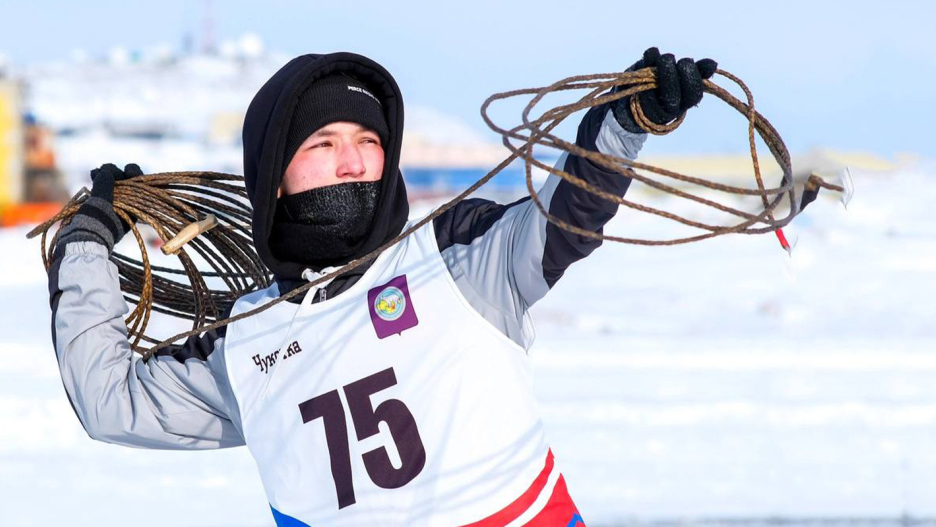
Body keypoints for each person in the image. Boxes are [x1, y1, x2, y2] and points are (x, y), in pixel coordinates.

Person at [48, 48, 716, 526]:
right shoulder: (247, 338)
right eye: (322, 143)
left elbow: (563, 220)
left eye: (368, 138)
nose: (353, 160)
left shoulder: (454, 251)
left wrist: (626, 122)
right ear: (274, 174)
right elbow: (112, 401)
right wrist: (87, 241)